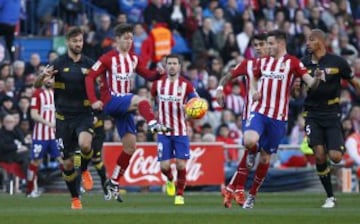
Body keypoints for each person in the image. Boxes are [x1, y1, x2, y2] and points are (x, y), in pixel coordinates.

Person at [220, 29, 323, 209]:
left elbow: (311, 83)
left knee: (266, 159)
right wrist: (253, 91)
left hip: (278, 118)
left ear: (280, 44)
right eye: (265, 43)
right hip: (259, 112)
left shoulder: (292, 62)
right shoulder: (263, 63)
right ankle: (250, 156)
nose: (267, 46)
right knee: (249, 140)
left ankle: (252, 194)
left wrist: (318, 79)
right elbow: (253, 79)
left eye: (270, 43)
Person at [85, 23, 168, 202]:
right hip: (111, 101)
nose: (129, 41)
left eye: (131, 38)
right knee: (142, 100)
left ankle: (113, 181)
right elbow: (90, 76)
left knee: (130, 147)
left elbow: (147, 75)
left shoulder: (133, 58)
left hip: (125, 105)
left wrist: (159, 74)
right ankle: (153, 123)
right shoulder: (107, 58)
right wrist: (93, 100)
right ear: (117, 39)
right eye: (126, 38)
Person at [37, 27, 96, 209]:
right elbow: (37, 84)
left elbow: (101, 84)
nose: (78, 44)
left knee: (85, 145)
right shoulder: (58, 63)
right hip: (63, 118)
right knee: (68, 163)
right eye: (75, 41)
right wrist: (42, 78)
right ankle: (75, 198)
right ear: (68, 43)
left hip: (84, 115)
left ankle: (85, 169)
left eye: (80, 41)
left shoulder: (90, 63)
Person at [302, 29, 360, 208]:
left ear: (320, 42)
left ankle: (331, 153)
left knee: (335, 157)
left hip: (332, 113)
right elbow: (296, 91)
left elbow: (353, 82)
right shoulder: (303, 63)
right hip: (312, 114)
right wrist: (296, 88)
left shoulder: (338, 62)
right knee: (319, 155)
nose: (307, 43)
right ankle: (330, 197)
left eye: (311, 40)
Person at [215, 33, 268, 208]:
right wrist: (220, 88)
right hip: (251, 114)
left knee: (256, 155)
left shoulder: (278, 65)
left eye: (262, 44)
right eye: (256, 45)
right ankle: (237, 188)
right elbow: (228, 75)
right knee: (252, 148)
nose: (258, 48)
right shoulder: (248, 64)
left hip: (270, 115)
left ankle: (232, 187)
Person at [150, 54, 197, 205]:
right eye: (169, 63)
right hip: (163, 132)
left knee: (181, 164)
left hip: (181, 131)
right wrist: (152, 116)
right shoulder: (157, 84)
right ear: (165, 65)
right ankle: (170, 179)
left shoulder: (186, 84)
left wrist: (188, 107)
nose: (171, 66)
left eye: (174, 63)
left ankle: (180, 194)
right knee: (164, 166)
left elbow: (197, 102)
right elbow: (151, 100)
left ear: (179, 66)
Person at [25, 71, 63, 198]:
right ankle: (30, 190)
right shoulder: (37, 94)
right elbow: (34, 114)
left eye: (51, 78)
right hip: (40, 135)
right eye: (47, 77)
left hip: (54, 136)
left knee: (63, 160)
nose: (49, 80)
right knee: (36, 162)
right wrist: (49, 123)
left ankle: (75, 187)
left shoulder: (56, 94)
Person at [80, 111, 108, 199]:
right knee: (79, 156)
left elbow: (106, 112)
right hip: (83, 131)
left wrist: (98, 117)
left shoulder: (101, 101)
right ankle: (78, 188)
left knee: (96, 160)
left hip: (98, 134)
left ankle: (106, 189)